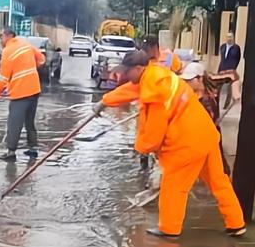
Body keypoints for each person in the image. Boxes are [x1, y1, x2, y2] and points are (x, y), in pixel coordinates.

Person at [96, 50, 245, 237]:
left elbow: (153, 135)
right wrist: (105, 102)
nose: (125, 75)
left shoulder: (154, 94)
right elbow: (132, 89)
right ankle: (236, 223)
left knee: (173, 186)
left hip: (187, 143)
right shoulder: (156, 76)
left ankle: (169, 228)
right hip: (206, 135)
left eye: (127, 71)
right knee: (219, 181)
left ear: (139, 68)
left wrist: (140, 147)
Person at [0, 27, 45, 161]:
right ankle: (33, 149)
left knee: (14, 122)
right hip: (34, 90)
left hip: (21, 92)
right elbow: (41, 59)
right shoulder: (26, 44)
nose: (0, 40)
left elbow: (2, 78)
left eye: (1, 37)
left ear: (7, 36)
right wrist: (29, 68)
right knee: (29, 121)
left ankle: (11, 153)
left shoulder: (8, 51)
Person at [180, 62, 231, 176]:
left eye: (189, 80)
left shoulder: (207, 101)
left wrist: (236, 89)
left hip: (209, 136)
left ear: (200, 79)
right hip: (203, 137)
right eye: (186, 80)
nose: (187, 83)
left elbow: (233, 74)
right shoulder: (192, 95)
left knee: (217, 168)